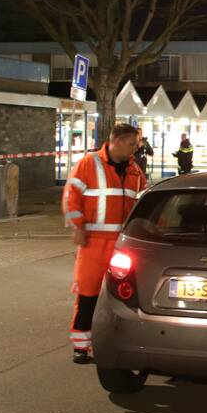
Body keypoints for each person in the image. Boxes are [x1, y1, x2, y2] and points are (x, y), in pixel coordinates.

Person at [62, 123, 145, 364]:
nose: (135, 150)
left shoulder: (134, 171)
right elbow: (71, 196)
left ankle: (122, 343)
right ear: (116, 141)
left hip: (122, 244)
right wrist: (77, 226)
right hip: (93, 242)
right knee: (87, 294)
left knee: (125, 297)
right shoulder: (89, 164)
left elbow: (141, 202)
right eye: (132, 144)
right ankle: (81, 347)